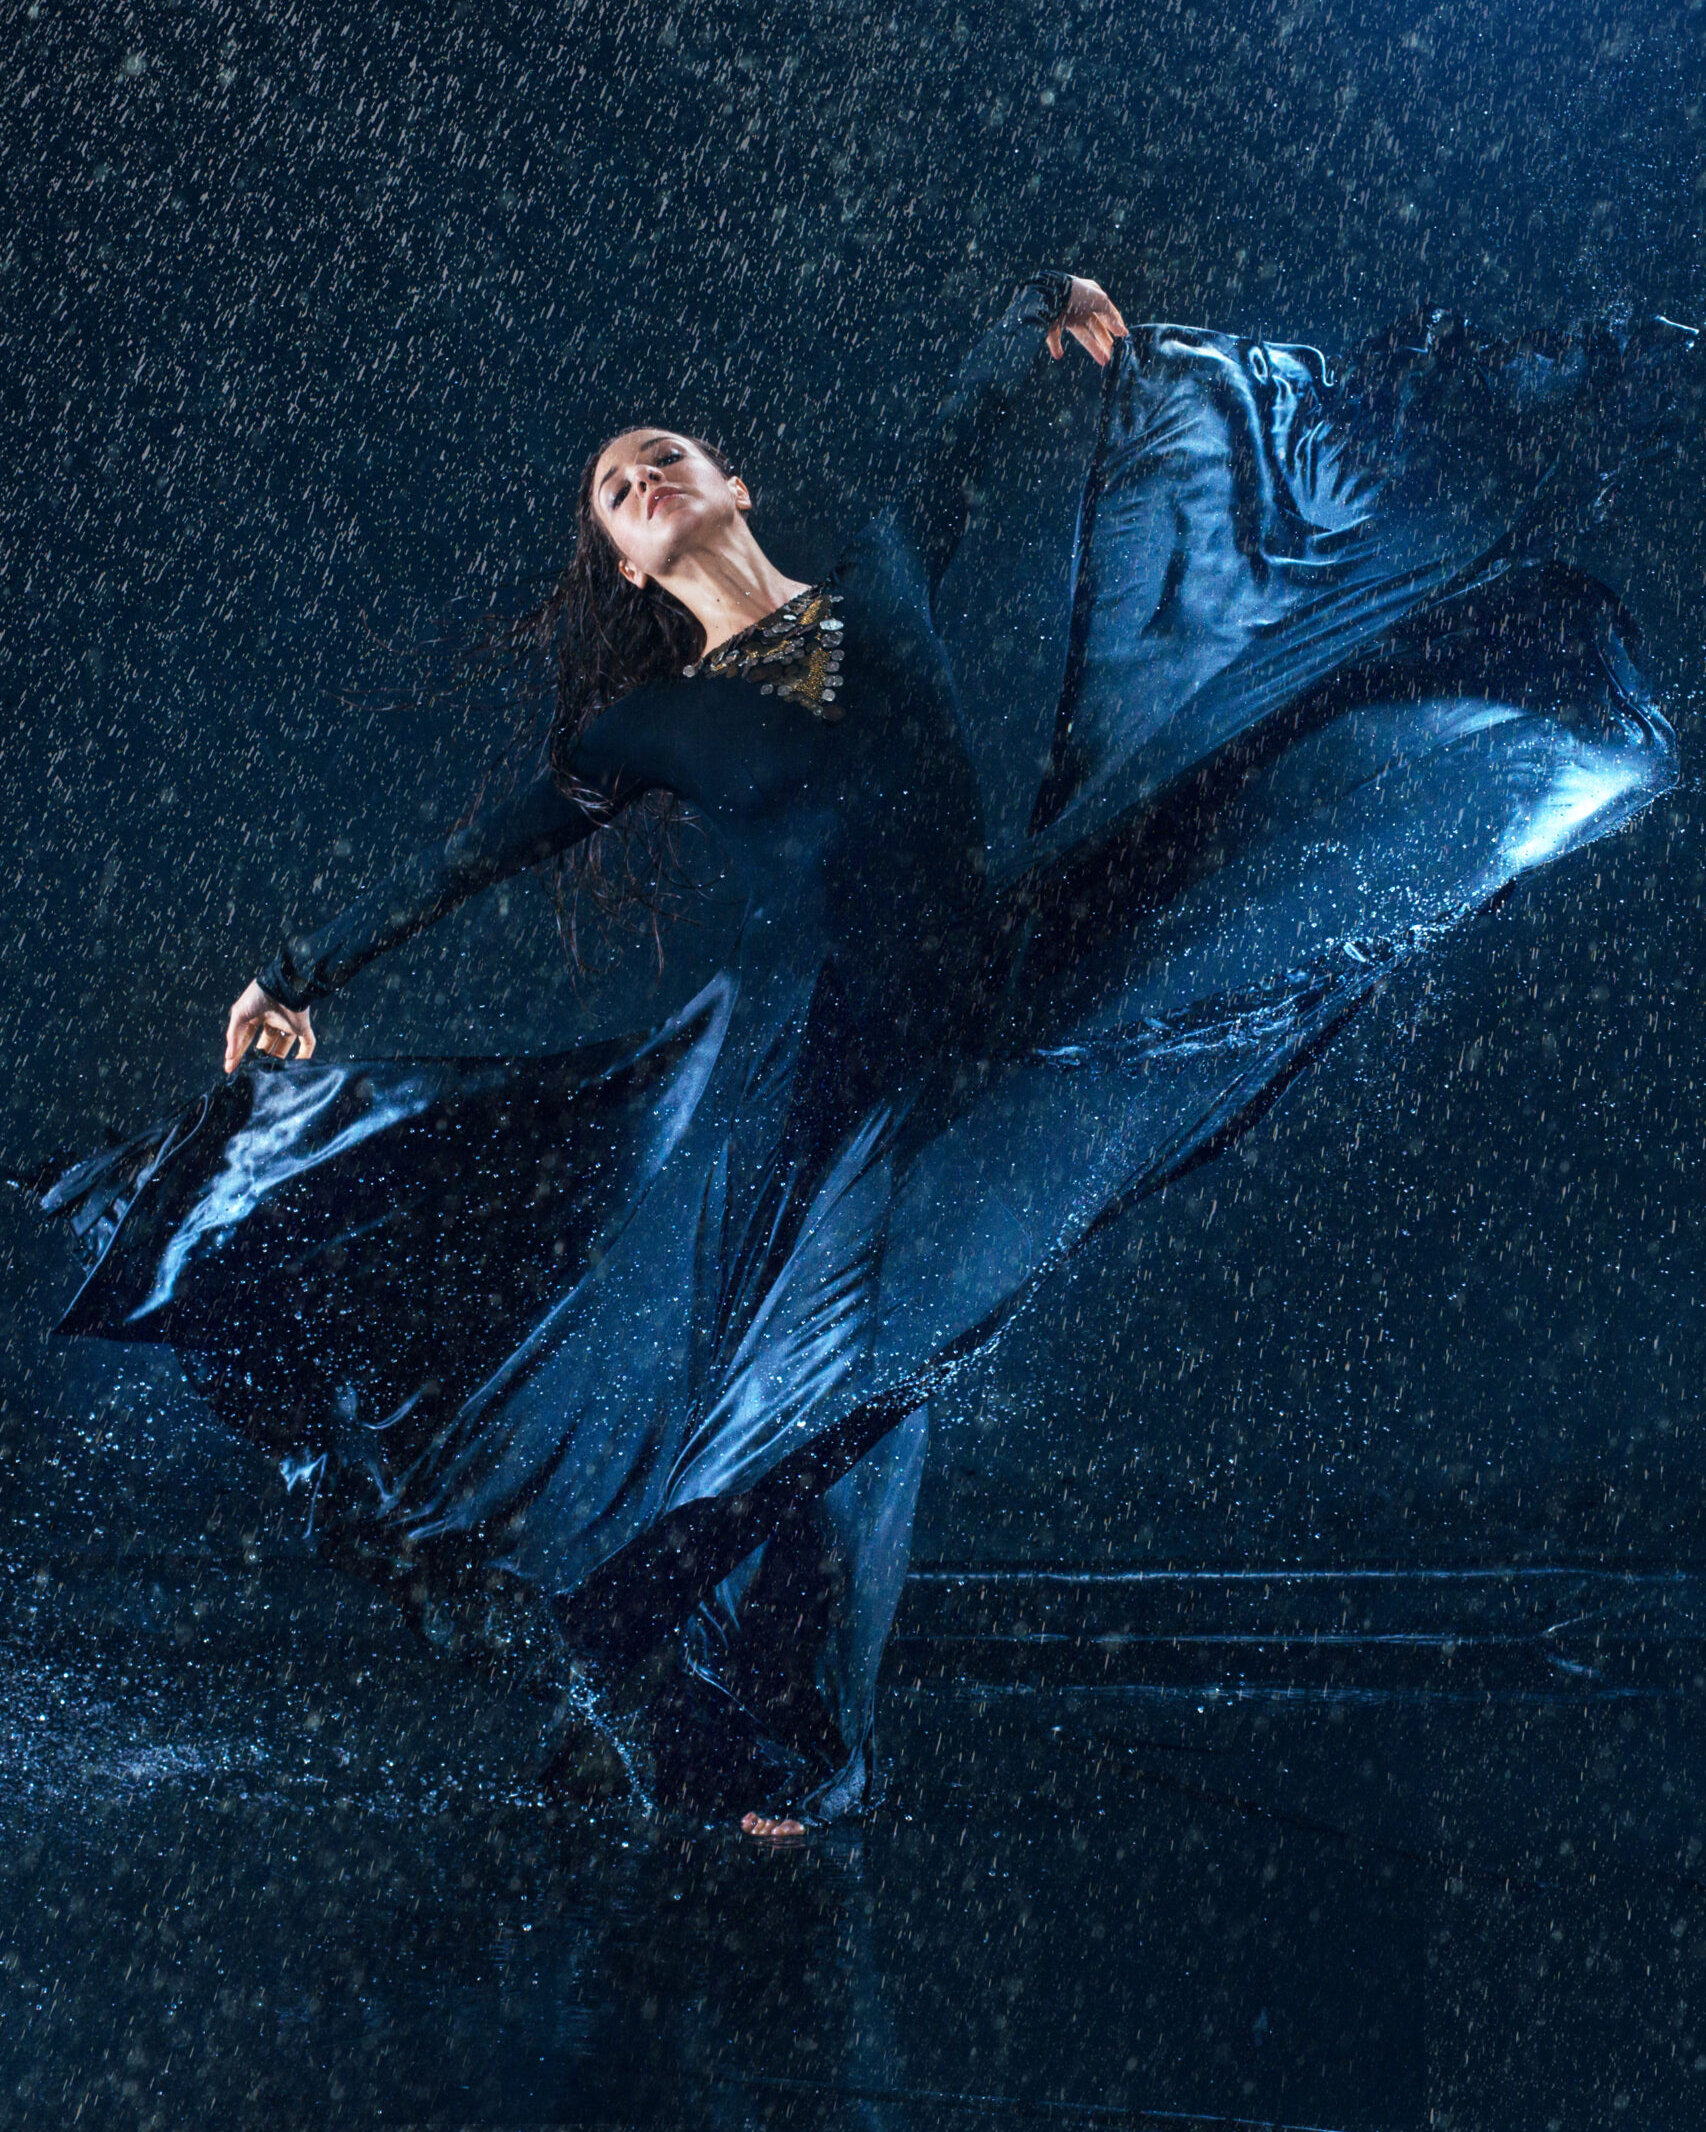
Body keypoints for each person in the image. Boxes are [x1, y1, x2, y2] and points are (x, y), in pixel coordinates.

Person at [39, 271, 1692, 1831]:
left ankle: (675, 1679)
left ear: (731, 482)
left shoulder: (881, 586)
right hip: (797, 1052)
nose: (642, 478)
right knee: (855, 1375)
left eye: (662, 455)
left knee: (885, 1357)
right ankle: (752, 1723)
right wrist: (299, 972)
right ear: (625, 566)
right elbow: (484, 852)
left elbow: (949, 449)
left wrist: (1030, 324)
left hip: (979, 986)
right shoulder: (637, 725)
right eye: (616, 490)